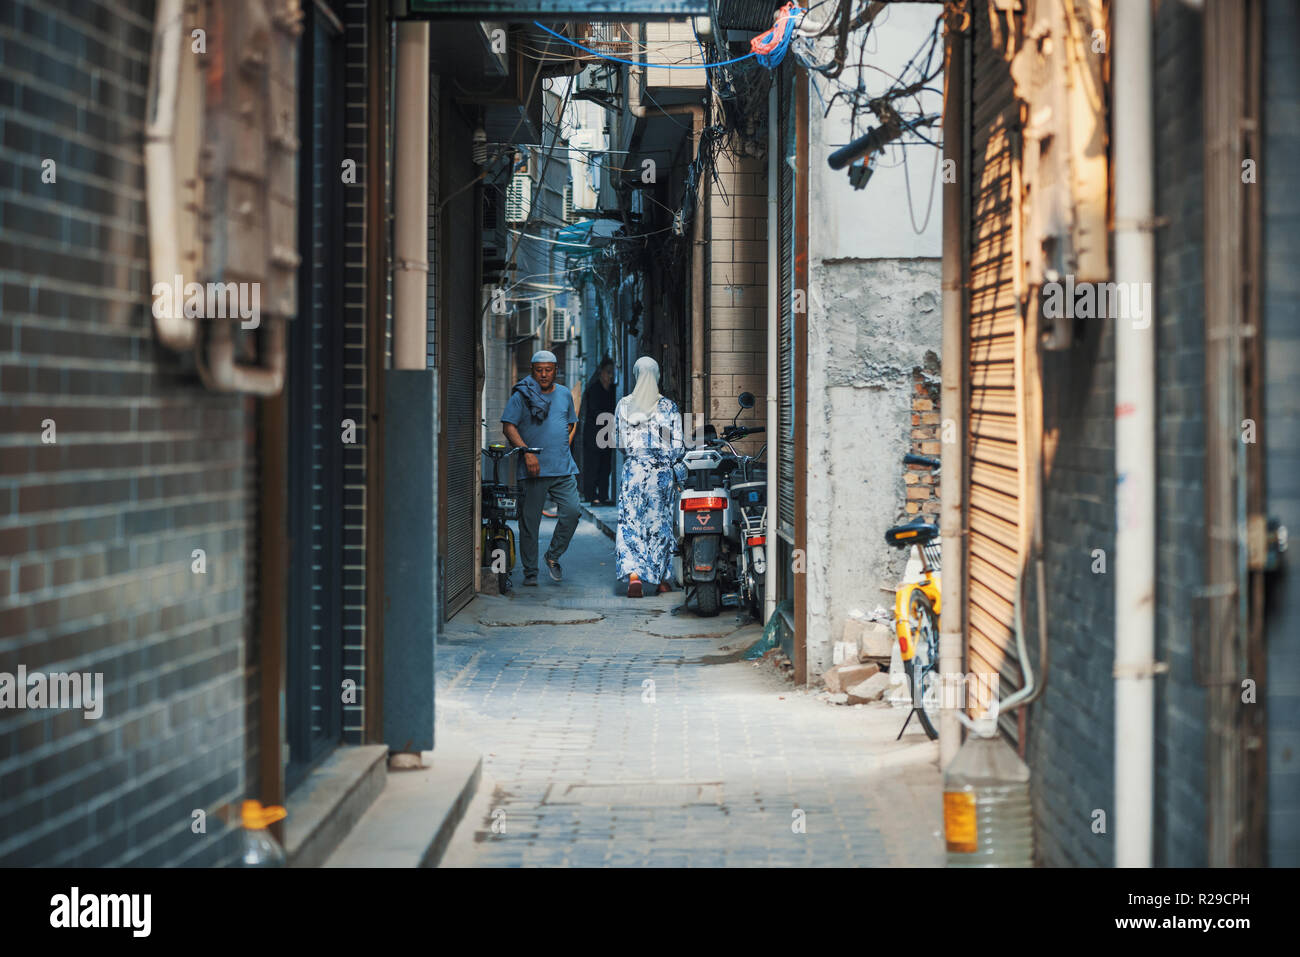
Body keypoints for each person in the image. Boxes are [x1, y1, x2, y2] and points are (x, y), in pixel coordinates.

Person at [501, 351, 581, 586]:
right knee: (529, 523)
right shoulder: (522, 395)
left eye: (548, 369)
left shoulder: (565, 394)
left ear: (556, 370)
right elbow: (508, 426)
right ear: (532, 370)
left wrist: (565, 443)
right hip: (533, 470)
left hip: (563, 468)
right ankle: (530, 572)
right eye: (539, 370)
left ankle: (552, 555)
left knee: (572, 511)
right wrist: (526, 452)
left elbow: (571, 423)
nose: (544, 374)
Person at [614, 356, 683, 598]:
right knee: (659, 523)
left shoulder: (624, 405)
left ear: (635, 375)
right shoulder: (669, 407)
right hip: (661, 475)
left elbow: (620, 442)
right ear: (657, 376)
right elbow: (677, 447)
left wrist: (636, 455)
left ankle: (634, 575)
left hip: (633, 471)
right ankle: (662, 579)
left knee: (630, 522)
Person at [580, 357, 617, 505]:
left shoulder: (613, 390)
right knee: (593, 465)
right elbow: (595, 412)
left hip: (608, 433)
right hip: (594, 433)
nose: (611, 376)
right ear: (601, 372)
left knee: (605, 465)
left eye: (612, 373)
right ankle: (592, 496)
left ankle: (603, 495)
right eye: (608, 372)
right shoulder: (593, 389)